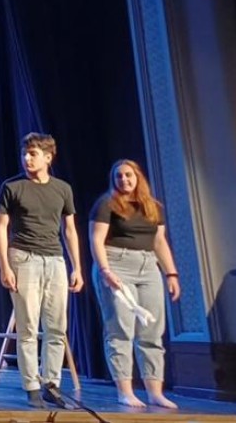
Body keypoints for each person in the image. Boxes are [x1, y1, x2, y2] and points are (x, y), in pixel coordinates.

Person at [0, 132, 83, 408]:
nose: (27, 158)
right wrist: (4, 266)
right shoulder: (12, 186)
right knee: (29, 325)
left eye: (33, 153)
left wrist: (77, 266)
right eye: (25, 153)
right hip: (23, 257)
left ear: (48, 156)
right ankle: (32, 385)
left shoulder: (62, 189)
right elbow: (0, 227)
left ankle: (51, 384)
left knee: (57, 327)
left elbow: (69, 230)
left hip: (55, 259)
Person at [90, 159, 181, 409]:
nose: (124, 180)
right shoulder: (106, 204)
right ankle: (125, 391)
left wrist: (171, 274)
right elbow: (96, 238)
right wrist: (105, 270)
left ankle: (155, 392)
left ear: (138, 177)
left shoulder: (153, 207)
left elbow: (159, 242)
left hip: (148, 267)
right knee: (121, 330)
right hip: (116, 264)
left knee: (152, 330)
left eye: (128, 175)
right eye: (119, 176)